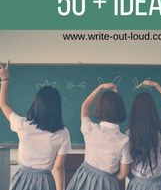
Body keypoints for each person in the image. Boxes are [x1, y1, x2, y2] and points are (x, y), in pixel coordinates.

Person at [0, 61, 71, 190]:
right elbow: (58, 168)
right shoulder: (63, 133)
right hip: (45, 181)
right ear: (57, 108)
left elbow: (3, 104)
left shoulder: (23, 125)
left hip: (22, 178)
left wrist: (5, 79)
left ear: (36, 105)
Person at [66, 83, 132, 190]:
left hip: (85, 178)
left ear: (99, 108)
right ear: (120, 110)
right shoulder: (124, 140)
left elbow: (85, 106)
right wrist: (109, 178)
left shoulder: (90, 129)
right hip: (107, 183)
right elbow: (123, 174)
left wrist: (100, 87)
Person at [127, 80, 161, 190]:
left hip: (137, 185)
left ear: (134, 112)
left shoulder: (129, 135)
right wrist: (156, 85)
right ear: (154, 110)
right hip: (159, 185)